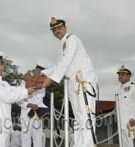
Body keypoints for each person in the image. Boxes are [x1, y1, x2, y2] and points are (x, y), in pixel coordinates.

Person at [42, 17, 98, 147]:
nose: (57, 31)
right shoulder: (63, 45)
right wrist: (42, 73)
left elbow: (66, 61)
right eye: (54, 30)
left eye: (59, 28)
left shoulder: (72, 39)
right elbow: (59, 65)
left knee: (86, 117)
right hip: (73, 85)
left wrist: (50, 79)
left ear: (65, 28)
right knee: (79, 119)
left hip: (84, 84)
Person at [0, 51, 35, 147]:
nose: (0, 67)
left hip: (5, 126)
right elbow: (8, 97)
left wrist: (27, 81)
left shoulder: (4, 84)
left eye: (1, 63)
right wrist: (26, 91)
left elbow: (16, 91)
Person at [18, 64, 49, 147]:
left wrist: (42, 108)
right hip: (26, 112)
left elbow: (40, 99)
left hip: (37, 112)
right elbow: (19, 98)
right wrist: (28, 104)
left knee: (38, 137)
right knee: (25, 137)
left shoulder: (43, 82)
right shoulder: (25, 80)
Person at [116, 65, 135, 147]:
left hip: (131, 123)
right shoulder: (118, 89)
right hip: (121, 124)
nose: (120, 76)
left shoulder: (134, 87)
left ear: (129, 75)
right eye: (119, 74)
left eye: (123, 74)